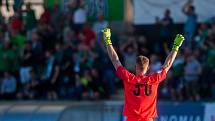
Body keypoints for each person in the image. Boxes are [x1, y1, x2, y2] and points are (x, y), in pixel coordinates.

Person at [102, 28, 184, 121]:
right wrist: (176, 47)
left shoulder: (129, 78)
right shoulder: (154, 79)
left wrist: (108, 41)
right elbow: (168, 64)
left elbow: (115, 60)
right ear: (148, 68)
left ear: (135, 67)